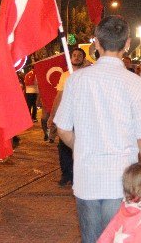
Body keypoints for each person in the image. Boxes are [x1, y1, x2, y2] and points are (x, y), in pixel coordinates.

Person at [54, 16, 141, 243]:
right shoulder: (134, 83)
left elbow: (62, 129)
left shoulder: (76, 80)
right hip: (121, 180)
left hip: (86, 178)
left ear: (96, 43)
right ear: (128, 43)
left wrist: (79, 145)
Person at [49, 46, 90, 185]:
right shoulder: (65, 75)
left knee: (81, 146)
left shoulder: (88, 73)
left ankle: (79, 176)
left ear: (84, 58)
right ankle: (66, 174)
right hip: (67, 115)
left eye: (79, 55)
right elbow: (59, 96)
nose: (77, 57)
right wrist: (52, 115)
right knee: (64, 146)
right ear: (70, 58)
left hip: (84, 115)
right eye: (74, 55)